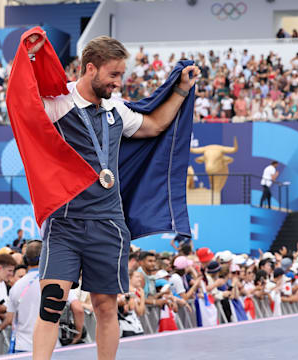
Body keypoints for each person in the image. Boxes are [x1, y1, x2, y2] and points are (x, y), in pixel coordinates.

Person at [19, 32, 199, 360]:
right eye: (113, 75)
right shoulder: (59, 103)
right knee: (51, 303)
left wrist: (181, 90)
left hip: (109, 224)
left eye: (121, 75)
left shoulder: (116, 109)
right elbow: (22, 102)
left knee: (105, 306)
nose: (118, 83)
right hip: (65, 221)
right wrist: (29, 57)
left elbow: (155, 125)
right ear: (91, 69)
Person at [0, 240, 43, 352]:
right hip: (49, 346)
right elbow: (77, 308)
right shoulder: (56, 281)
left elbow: (9, 318)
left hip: (22, 347)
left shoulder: (16, 286)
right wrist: (77, 335)